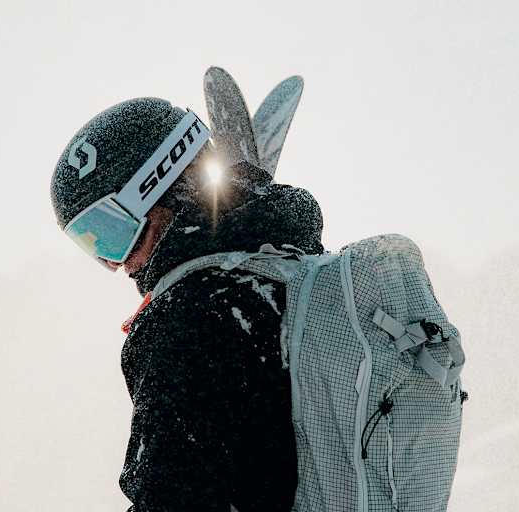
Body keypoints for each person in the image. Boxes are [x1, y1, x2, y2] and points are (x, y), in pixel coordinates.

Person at [50, 98, 324, 511]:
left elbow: (170, 497)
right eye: (93, 244)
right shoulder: (301, 270)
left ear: (161, 189)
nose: (119, 265)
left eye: (111, 233)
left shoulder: (186, 319)